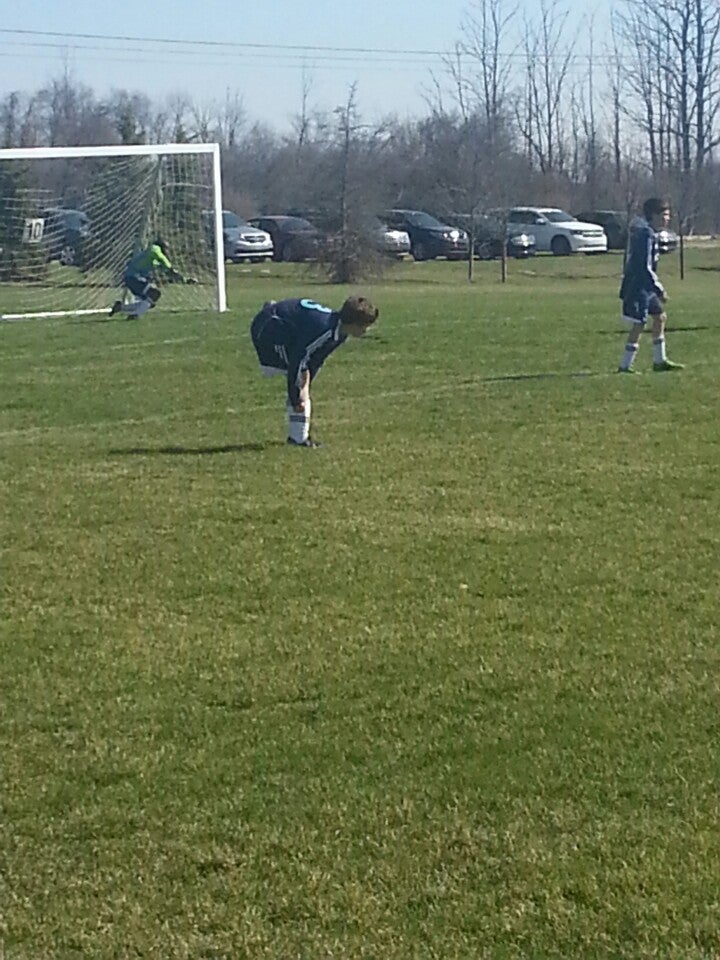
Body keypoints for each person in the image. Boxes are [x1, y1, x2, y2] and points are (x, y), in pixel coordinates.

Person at [250, 295, 379, 447]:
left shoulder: (339, 333)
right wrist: (296, 394)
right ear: (352, 322)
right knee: (299, 378)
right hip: (269, 327)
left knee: (303, 379)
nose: (366, 330)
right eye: (363, 326)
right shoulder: (324, 330)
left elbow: (317, 359)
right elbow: (298, 360)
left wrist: (306, 384)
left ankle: (298, 437)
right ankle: (298, 438)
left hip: (284, 325)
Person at [617, 197, 683, 373]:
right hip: (638, 286)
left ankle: (659, 361)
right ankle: (625, 366)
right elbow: (644, 267)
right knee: (639, 324)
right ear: (653, 215)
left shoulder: (649, 232)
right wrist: (659, 289)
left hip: (646, 287)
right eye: (664, 215)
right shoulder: (644, 234)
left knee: (660, 317)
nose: (667, 218)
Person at [109, 238, 195, 319]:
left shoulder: (154, 259)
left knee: (150, 301)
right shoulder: (154, 249)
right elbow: (163, 260)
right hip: (133, 277)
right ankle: (135, 315)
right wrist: (168, 264)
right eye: (166, 249)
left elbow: (169, 272)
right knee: (154, 294)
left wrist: (185, 279)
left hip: (131, 278)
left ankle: (121, 307)